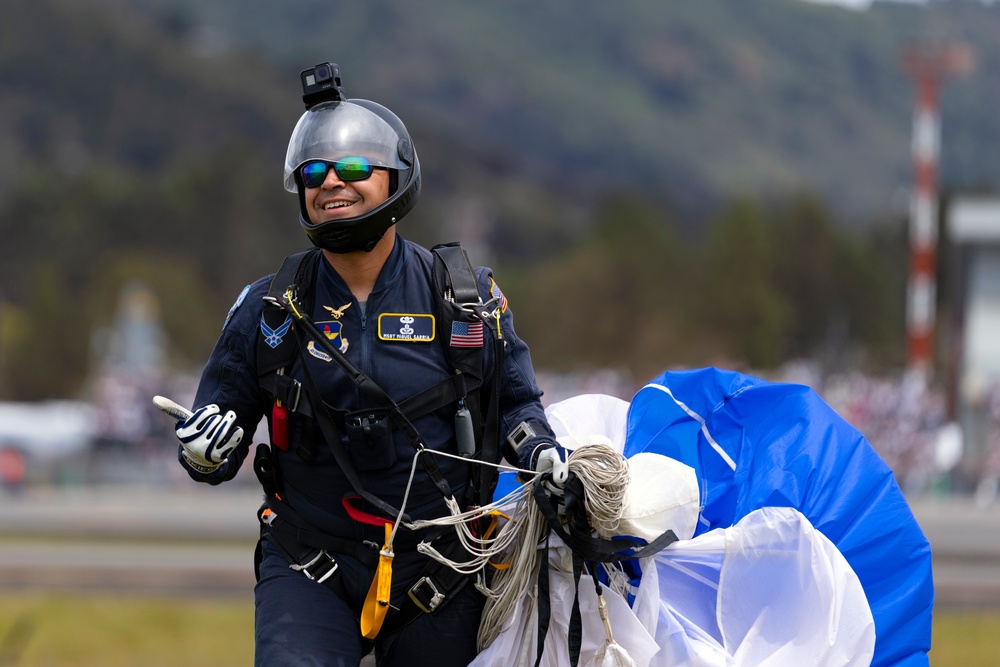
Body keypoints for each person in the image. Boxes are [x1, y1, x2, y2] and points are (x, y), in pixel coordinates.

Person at [163, 62, 567, 667]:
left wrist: (541, 453)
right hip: (309, 562)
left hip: (443, 569)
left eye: (353, 168)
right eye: (314, 172)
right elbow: (216, 425)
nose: (332, 183)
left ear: (397, 181)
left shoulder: (463, 298)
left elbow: (514, 404)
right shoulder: (269, 308)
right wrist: (202, 451)